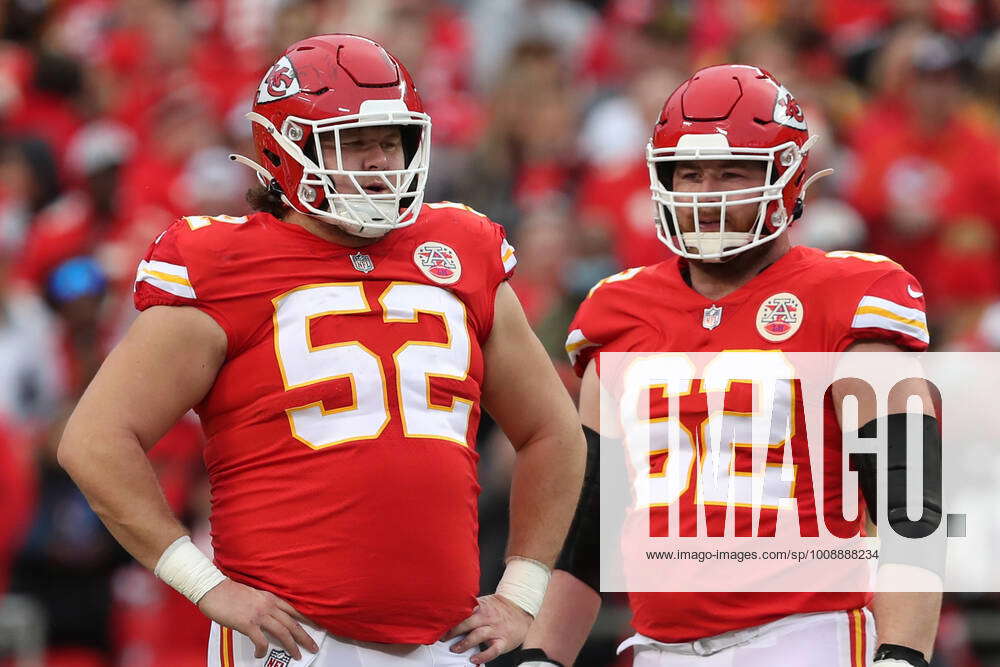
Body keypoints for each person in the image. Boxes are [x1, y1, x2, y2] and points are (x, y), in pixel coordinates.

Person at [57, 33, 585, 667]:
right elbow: (94, 440)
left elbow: (554, 430)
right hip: (294, 640)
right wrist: (205, 586)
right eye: (352, 143)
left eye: (391, 141)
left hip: (441, 641)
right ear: (285, 150)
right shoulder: (224, 263)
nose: (379, 161)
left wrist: (523, 591)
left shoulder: (460, 249)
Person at [517, 65, 941, 666]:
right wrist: (545, 655)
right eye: (689, 173)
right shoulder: (617, 311)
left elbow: (911, 499)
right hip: (659, 647)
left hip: (803, 636)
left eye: (733, 172)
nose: (707, 193)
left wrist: (903, 651)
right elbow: (592, 525)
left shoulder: (852, 293)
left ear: (786, 178)